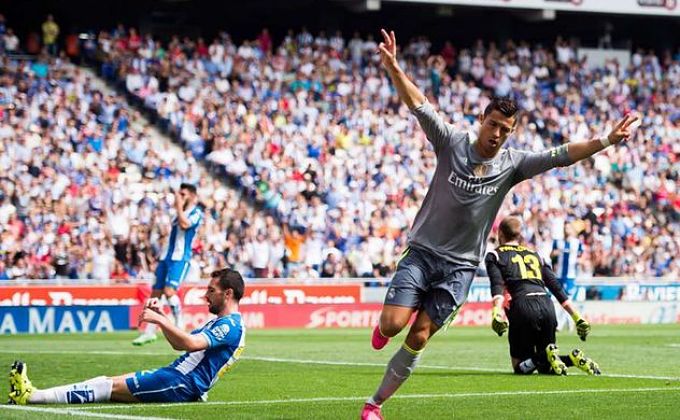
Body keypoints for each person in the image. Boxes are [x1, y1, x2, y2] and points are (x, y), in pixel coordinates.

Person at [361, 29, 637, 420]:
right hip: (422, 252)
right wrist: (393, 67)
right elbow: (418, 104)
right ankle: (386, 327)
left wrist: (605, 141)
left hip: (459, 268)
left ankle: (374, 405)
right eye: (493, 125)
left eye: (505, 130)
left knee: (418, 335)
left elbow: (561, 155)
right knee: (391, 326)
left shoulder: (513, 164)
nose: (497, 135)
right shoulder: (451, 141)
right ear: (482, 120)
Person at [8, 268, 246, 405]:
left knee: (107, 386)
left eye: (211, 290)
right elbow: (180, 344)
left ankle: (32, 396)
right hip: (177, 378)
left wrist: (160, 321)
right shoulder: (223, 322)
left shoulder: (230, 326)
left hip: (180, 384)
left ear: (227, 294)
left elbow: (190, 343)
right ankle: (32, 394)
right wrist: (161, 316)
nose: (206, 295)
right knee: (108, 383)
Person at [485, 216, 600, 376]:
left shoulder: (495, 255)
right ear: (520, 235)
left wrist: (496, 313)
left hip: (522, 305)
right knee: (546, 368)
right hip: (546, 305)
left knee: (520, 367)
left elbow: (497, 285)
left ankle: (545, 354)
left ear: (500, 234)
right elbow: (556, 288)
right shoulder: (536, 254)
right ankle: (572, 359)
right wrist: (577, 317)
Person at [133, 183, 203, 345]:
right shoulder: (177, 213)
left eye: (183, 195)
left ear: (192, 196)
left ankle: (179, 324)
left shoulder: (196, 212)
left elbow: (185, 225)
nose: (180, 197)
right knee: (155, 294)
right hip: (166, 257)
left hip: (180, 258)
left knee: (169, 291)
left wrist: (178, 206)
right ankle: (149, 332)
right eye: (179, 194)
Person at [551, 223, 584, 331]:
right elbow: (551, 255)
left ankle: (561, 324)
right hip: (559, 276)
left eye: (568, 228)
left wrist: (580, 261)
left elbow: (582, 257)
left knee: (567, 300)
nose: (566, 230)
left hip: (570, 276)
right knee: (559, 300)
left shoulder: (577, 243)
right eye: (565, 228)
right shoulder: (558, 242)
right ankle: (567, 322)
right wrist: (554, 254)